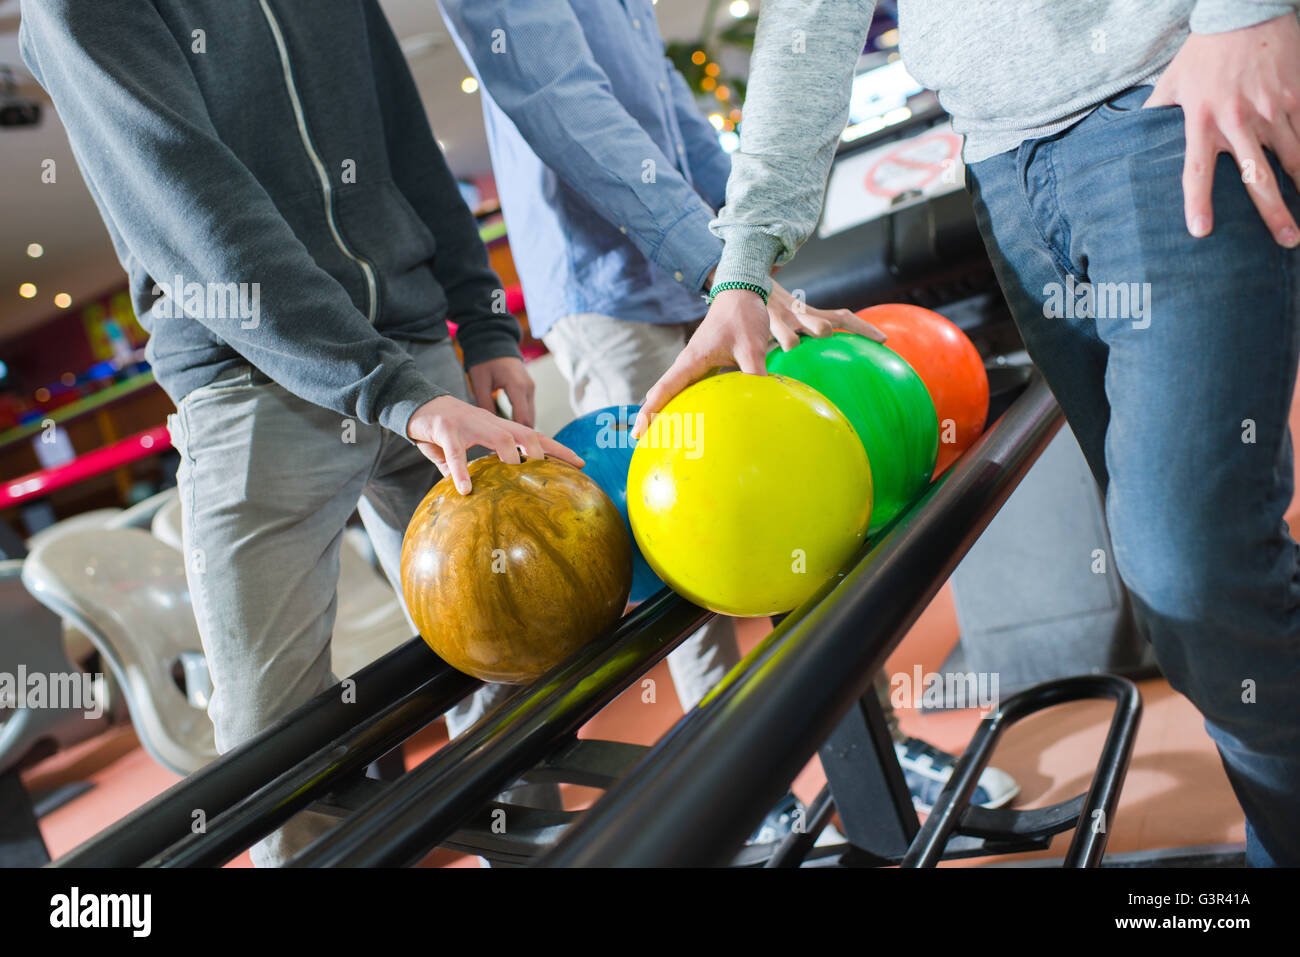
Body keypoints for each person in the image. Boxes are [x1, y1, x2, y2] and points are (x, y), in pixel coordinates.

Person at [641, 0, 1300, 866]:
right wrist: (744, 264)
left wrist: (1243, 13)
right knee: (1184, 578)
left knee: (1192, 564)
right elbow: (811, 16)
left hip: (1161, 97)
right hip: (1002, 170)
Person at [20, 0, 577, 866]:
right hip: (250, 388)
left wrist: (484, 318)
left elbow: (406, 143)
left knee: (510, 637)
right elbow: (193, 206)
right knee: (271, 748)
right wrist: (391, 390)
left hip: (418, 350)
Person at [438, 0, 1017, 814]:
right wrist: (722, 267)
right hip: (607, 286)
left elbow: (677, 117)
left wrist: (750, 262)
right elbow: (563, 102)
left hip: (703, 267)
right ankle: (747, 796)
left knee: (801, 504)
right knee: (691, 552)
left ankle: (879, 749)